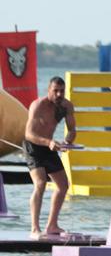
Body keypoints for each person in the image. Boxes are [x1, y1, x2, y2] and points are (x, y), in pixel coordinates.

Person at [24, 76, 77, 239]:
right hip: (34, 146)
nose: (59, 94)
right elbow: (29, 134)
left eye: (62, 91)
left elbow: (72, 130)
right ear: (49, 91)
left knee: (63, 185)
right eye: (56, 91)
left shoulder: (66, 106)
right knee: (40, 183)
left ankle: (52, 225)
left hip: (50, 146)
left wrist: (67, 141)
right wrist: (48, 142)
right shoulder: (38, 105)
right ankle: (34, 229)